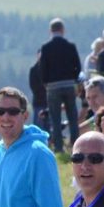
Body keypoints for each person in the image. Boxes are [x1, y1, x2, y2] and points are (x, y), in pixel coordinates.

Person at [40, 19, 85, 155]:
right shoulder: (70, 46)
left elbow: (42, 68)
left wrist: (46, 83)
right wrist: (73, 78)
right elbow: (78, 65)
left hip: (53, 87)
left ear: (50, 31)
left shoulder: (46, 47)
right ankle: (76, 146)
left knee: (55, 117)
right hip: (69, 85)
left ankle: (58, 147)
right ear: (63, 30)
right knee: (72, 116)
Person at [28, 50, 49, 134]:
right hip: (39, 102)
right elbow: (33, 86)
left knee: (49, 125)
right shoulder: (33, 70)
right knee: (39, 125)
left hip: (49, 102)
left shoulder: (49, 70)